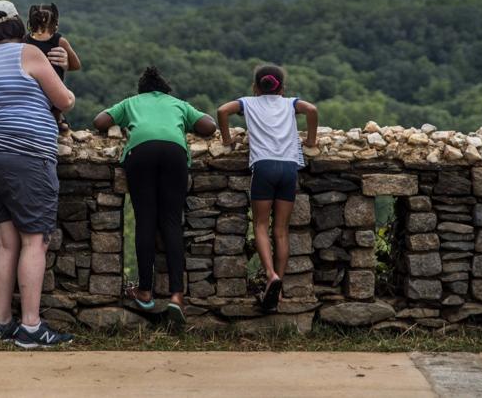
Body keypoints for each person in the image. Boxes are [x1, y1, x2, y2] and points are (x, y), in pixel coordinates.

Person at [0, 0, 76, 348]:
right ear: (17, 23)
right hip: (26, 156)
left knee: (5, 241)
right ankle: (30, 327)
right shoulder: (28, 53)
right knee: (35, 240)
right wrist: (60, 72)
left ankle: (1, 324)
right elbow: (64, 100)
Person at [93, 66, 216, 330]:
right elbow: (209, 125)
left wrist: (124, 119)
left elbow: (99, 121)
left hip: (141, 153)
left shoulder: (131, 103)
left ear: (142, 90)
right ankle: (176, 296)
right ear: (164, 90)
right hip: (174, 154)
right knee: (171, 223)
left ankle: (145, 291)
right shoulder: (178, 104)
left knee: (146, 221)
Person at [216, 64, 317, 312]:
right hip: (289, 168)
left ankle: (270, 274)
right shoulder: (291, 103)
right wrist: (311, 140)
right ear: (281, 87)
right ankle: (278, 289)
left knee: (260, 225)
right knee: (281, 230)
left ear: (255, 87)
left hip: (263, 167)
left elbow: (222, 111)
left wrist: (227, 140)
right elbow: (312, 110)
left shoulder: (248, 102)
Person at [24, 3, 82, 132]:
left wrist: (65, 64)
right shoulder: (59, 41)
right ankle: (56, 116)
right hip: (47, 95)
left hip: (39, 93)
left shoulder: (25, 41)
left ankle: (56, 115)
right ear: (55, 23)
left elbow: (75, 64)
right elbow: (77, 65)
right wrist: (66, 65)